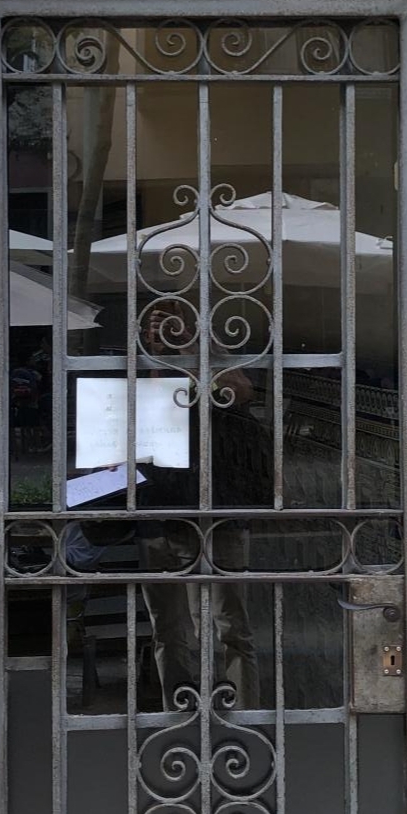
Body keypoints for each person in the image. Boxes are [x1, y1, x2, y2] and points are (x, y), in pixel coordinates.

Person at [137, 299, 265, 711]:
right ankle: (180, 716)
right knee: (169, 629)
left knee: (231, 626)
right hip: (159, 516)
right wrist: (154, 358)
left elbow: (241, 392)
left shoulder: (218, 368)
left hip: (218, 516)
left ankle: (241, 718)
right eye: (157, 323)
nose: (164, 331)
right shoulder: (139, 368)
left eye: (173, 322)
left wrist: (194, 348)